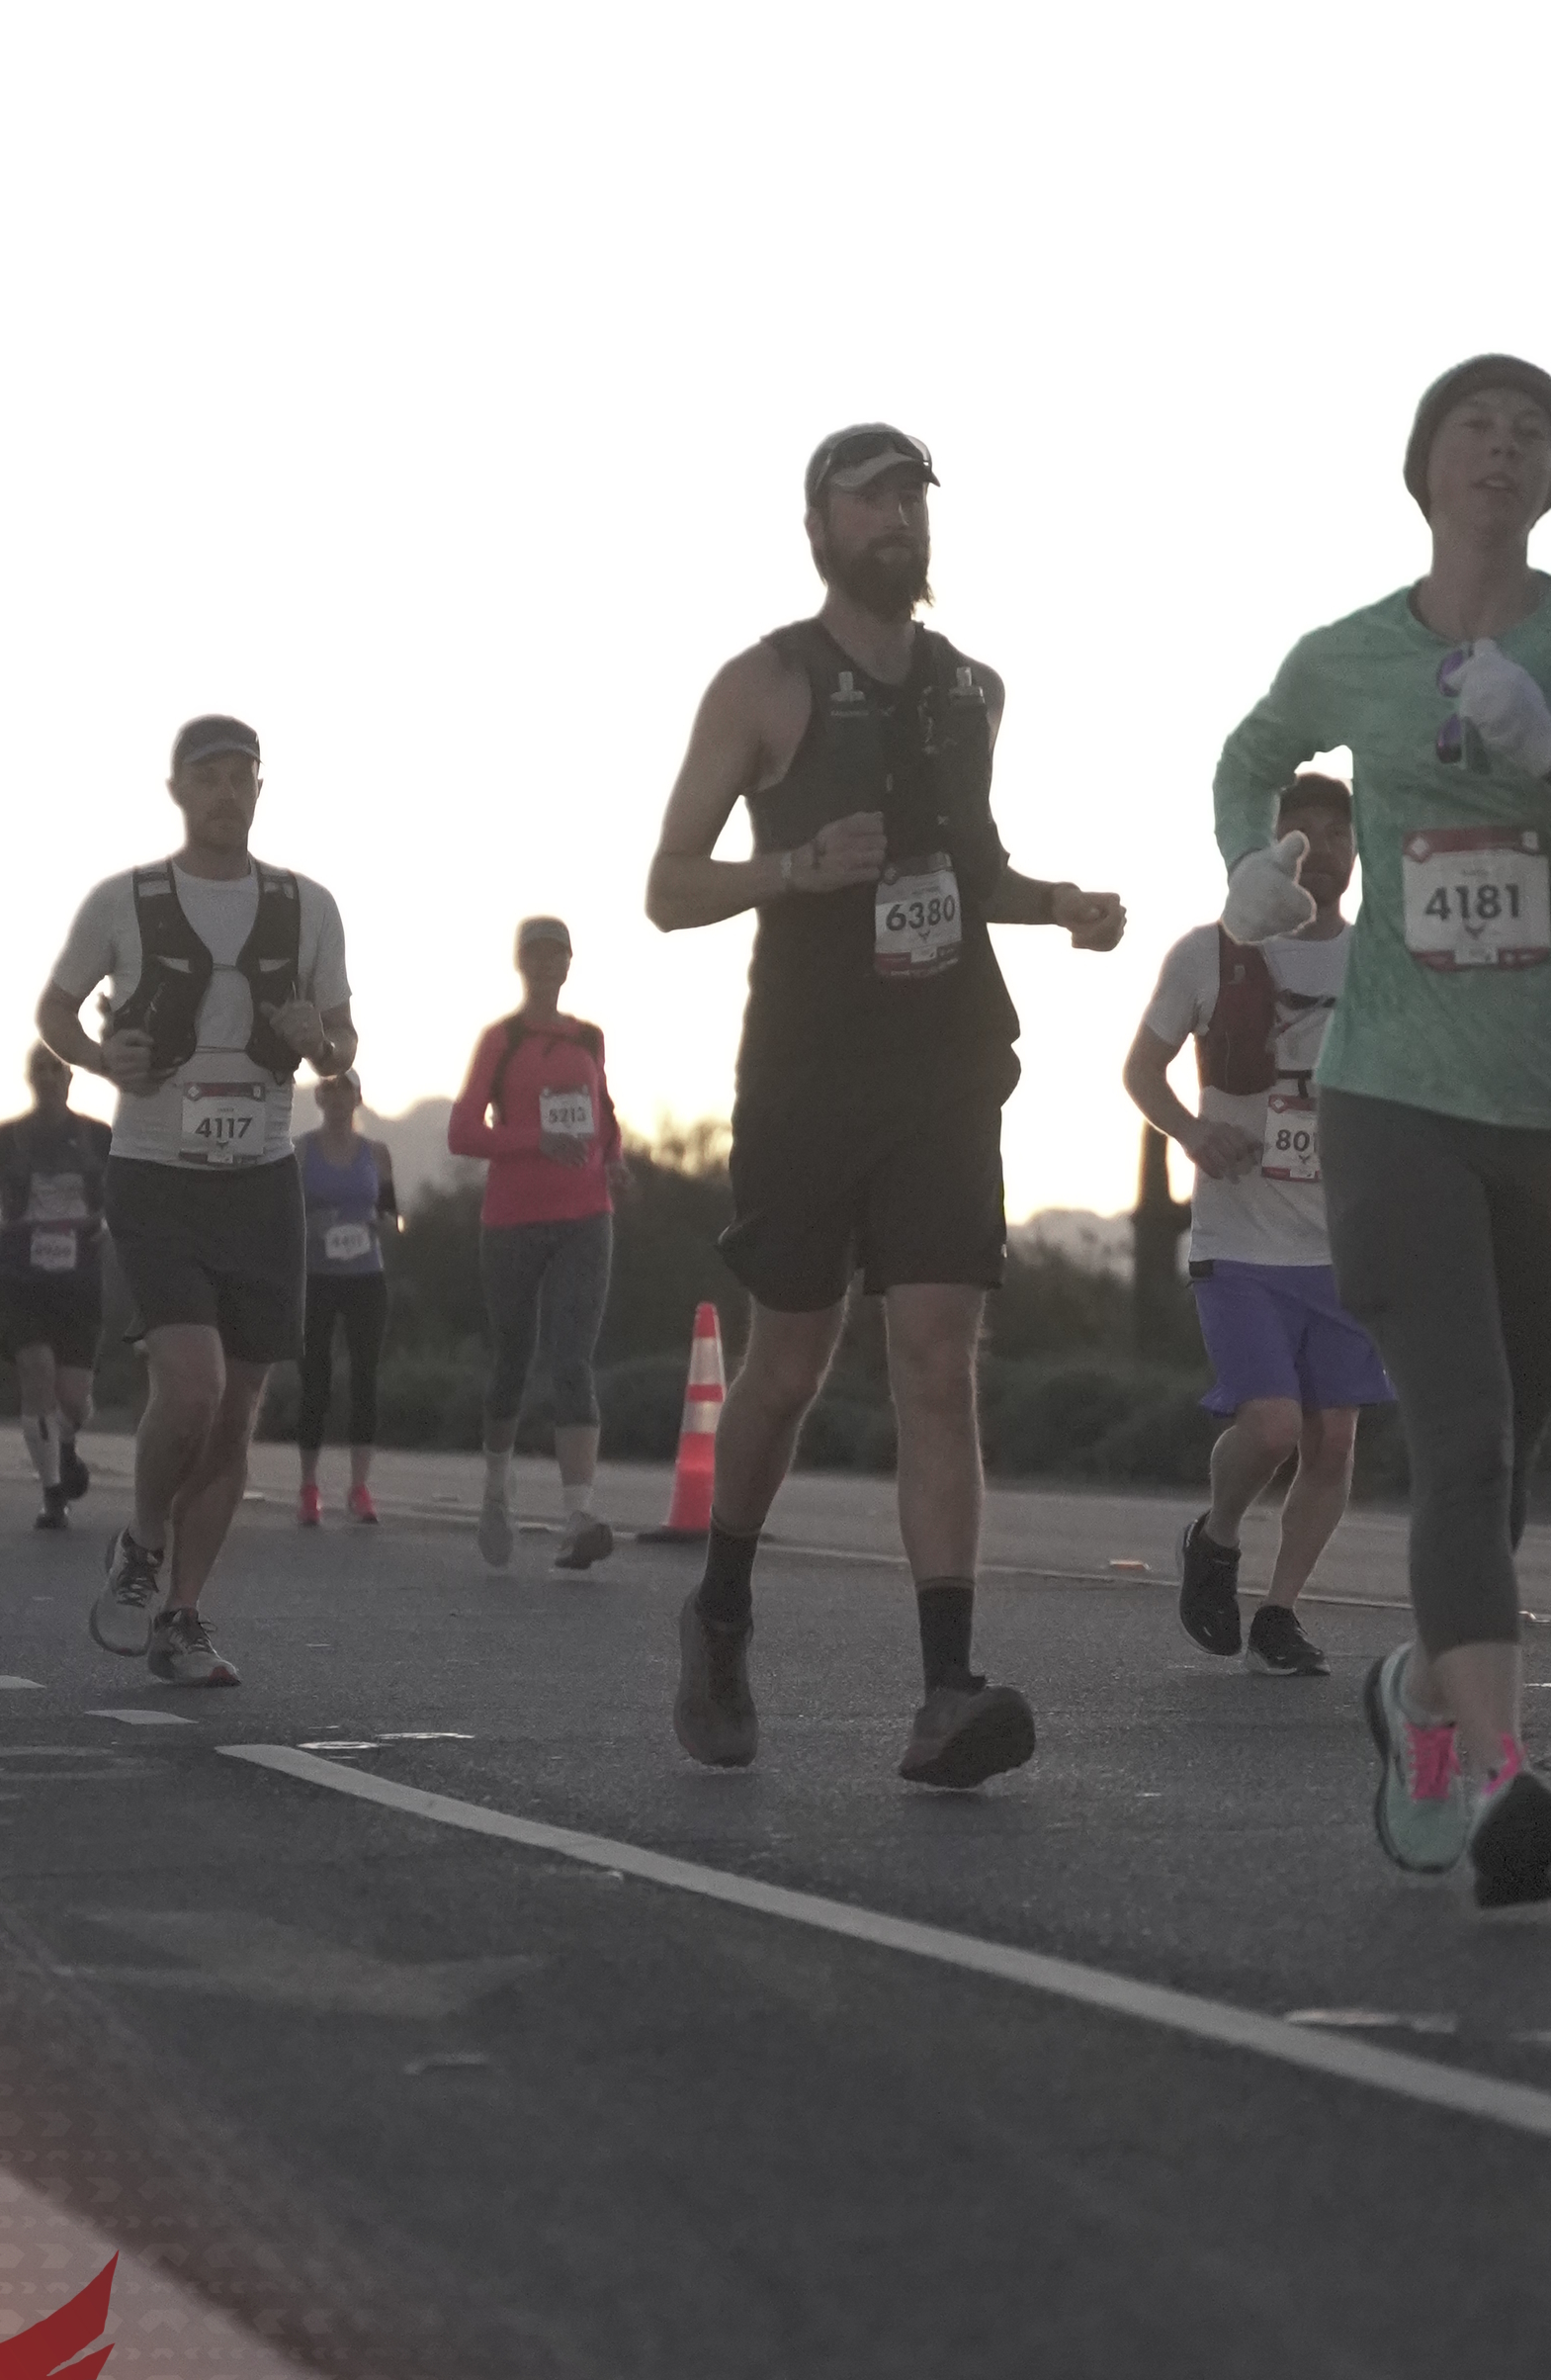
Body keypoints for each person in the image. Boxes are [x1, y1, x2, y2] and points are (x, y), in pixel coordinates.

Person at [1213, 356, 1551, 1907]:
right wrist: (1252, 866)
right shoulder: (1349, 654)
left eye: (1533, 431)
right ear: (1426, 464)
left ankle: (1423, 1705)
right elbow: (1253, 752)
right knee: (1460, 1438)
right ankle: (1507, 1775)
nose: (1503, 447)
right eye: (1476, 425)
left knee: (1498, 1461)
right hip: (1394, 1097)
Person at [646, 424, 1126, 1784]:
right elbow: (668, 886)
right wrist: (791, 867)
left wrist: (1060, 905)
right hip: (806, 1070)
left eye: (910, 497)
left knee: (934, 1356)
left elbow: (971, 866)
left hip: (946, 1063)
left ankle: (945, 1689)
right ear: (818, 527)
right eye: (868, 500)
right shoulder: (763, 682)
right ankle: (720, 1608)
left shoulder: (973, 690)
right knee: (788, 1365)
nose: (895, 519)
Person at [38, 716, 355, 1685]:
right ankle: (140, 1541)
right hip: (156, 1174)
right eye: (207, 776)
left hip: (260, 1180)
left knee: (236, 1410)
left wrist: (318, 1040)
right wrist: (102, 1058)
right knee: (191, 1386)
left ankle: (182, 1615)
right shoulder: (124, 900)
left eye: (239, 776)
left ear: (260, 789)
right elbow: (54, 1010)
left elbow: (341, 1042)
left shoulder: (308, 906)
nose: (225, 792)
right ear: (177, 790)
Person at [1123, 773, 1394, 1674]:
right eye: (1299, 834)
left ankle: (1280, 1612)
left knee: (1333, 1442)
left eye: (1338, 834)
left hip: (1344, 1243)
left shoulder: (1383, 959)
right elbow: (1142, 1071)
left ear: (1358, 849)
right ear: (1267, 847)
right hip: (1239, 1243)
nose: (1320, 852)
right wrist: (1191, 1130)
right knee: (1273, 1426)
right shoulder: (1211, 952)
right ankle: (1217, 1535)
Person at [448, 917, 629, 1570]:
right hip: (513, 1222)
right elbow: (462, 1132)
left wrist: (614, 1160)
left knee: (573, 1360)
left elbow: (603, 1114)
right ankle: (497, 1491)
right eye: (538, 954)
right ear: (521, 964)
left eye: (559, 954)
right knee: (513, 1361)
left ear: (570, 963)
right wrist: (535, 1141)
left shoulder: (588, 1037)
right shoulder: (503, 1040)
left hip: (586, 1216)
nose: (549, 964)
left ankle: (578, 1516)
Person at [0, 1043, 112, 1531]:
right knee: (36, 1373)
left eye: (57, 1068)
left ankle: (64, 1443)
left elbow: (124, 1194)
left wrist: (108, 1222)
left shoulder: (98, 1136)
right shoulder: (6, 1137)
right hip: (20, 1274)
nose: (49, 1077)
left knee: (74, 1398)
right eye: (40, 1069)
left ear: (69, 1079)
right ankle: (52, 1495)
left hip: (79, 1276)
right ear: (29, 1078)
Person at [293, 1070, 396, 1525]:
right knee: (315, 1378)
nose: (337, 1100)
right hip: (317, 1276)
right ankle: (308, 1486)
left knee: (364, 1379)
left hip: (366, 1275)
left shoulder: (377, 1154)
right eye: (330, 1091)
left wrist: (377, 1223)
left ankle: (360, 1487)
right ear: (319, 1098)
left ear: (358, 1098)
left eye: (345, 1091)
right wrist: (310, 1225)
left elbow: (392, 1215)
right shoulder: (301, 1152)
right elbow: (284, 1212)